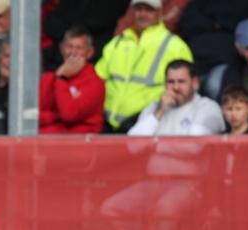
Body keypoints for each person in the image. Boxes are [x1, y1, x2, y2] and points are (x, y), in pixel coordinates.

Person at [95, 0, 193, 133]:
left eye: (149, 10)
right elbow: (97, 78)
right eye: (138, 9)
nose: (143, 14)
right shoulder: (118, 42)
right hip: (105, 123)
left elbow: (185, 89)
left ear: (159, 12)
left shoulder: (175, 46)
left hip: (149, 124)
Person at [128, 60, 224, 135]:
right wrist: (159, 112)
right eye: (170, 82)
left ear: (195, 83)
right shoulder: (154, 108)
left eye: (181, 81)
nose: (175, 87)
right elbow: (132, 144)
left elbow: (194, 144)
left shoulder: (208, 107)